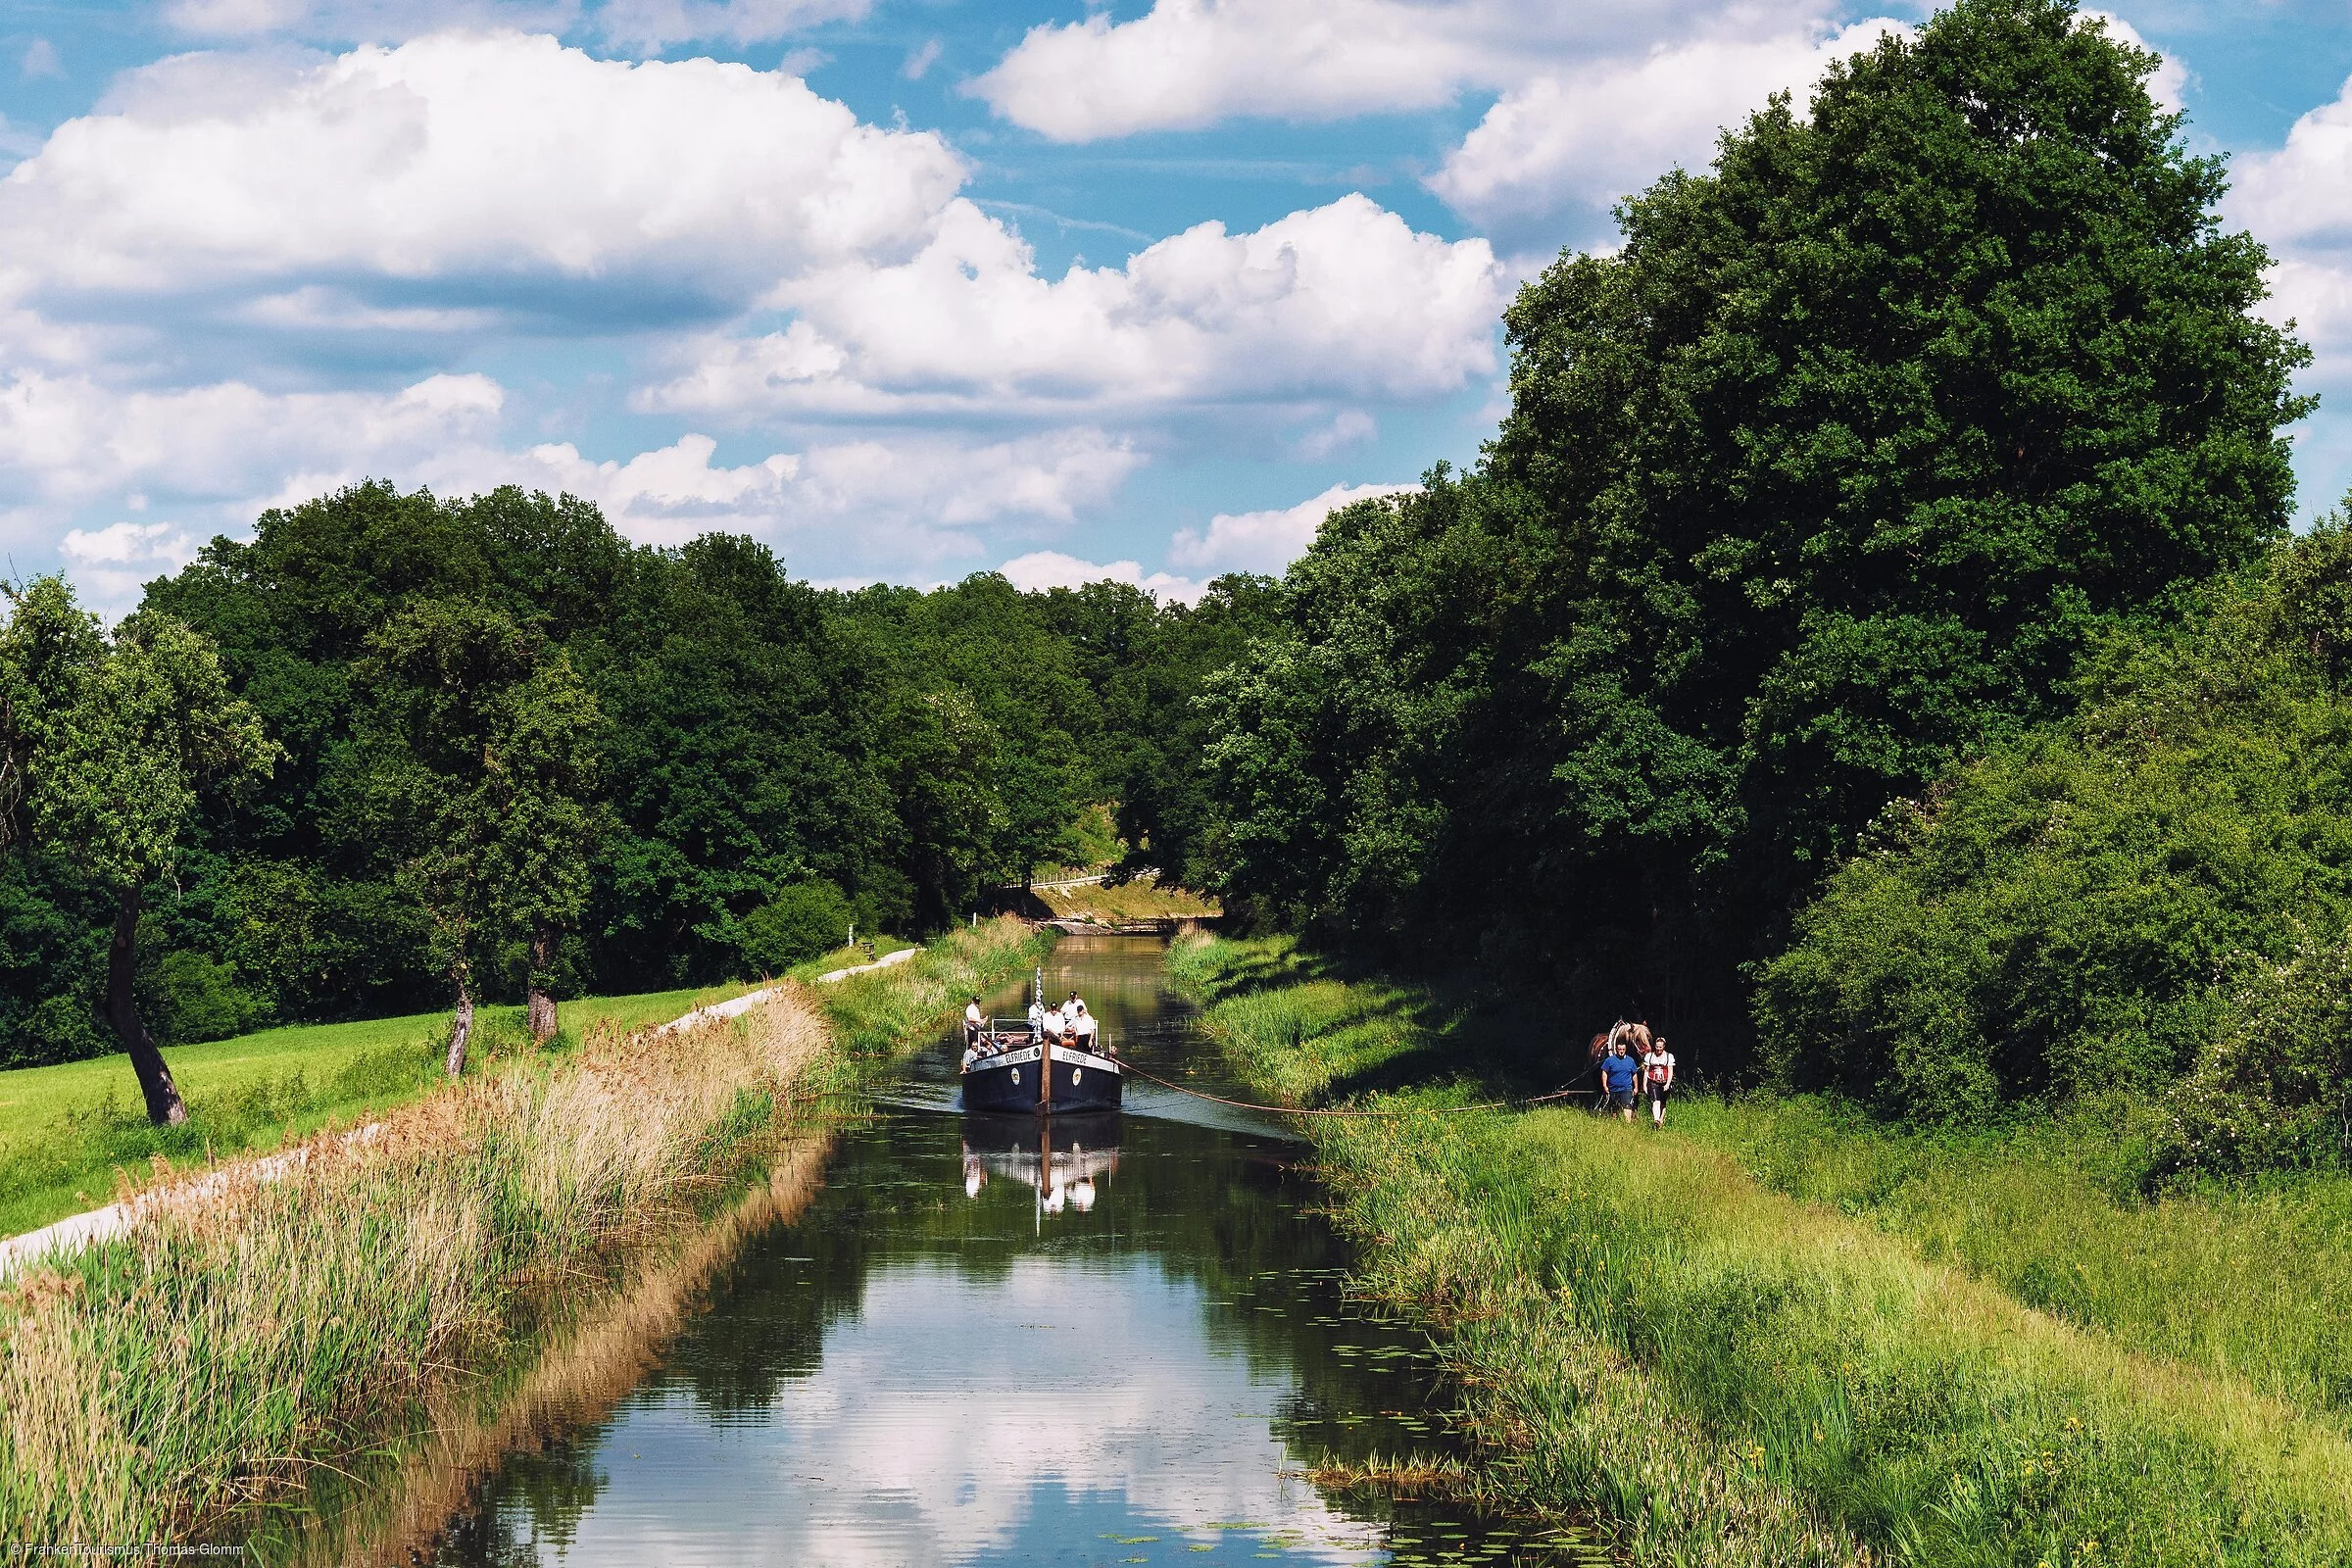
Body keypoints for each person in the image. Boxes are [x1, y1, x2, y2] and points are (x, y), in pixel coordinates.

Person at [1597, 1037, 1640, 1123]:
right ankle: (1614, 1125)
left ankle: (1628, 1125)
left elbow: (1634, 1074)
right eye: (1620, 1049)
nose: (1621, 1051)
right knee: (1614, 1109)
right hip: (1613, 1088)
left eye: (1623, 1049)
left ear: (1625, 1049)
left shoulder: (1630, 1061)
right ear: (1616, 1049)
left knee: (1627, 1106)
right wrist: (1605, 1086)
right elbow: (1604, 1072)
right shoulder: (1609, 1060)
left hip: (1626, 1088)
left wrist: (1636, 1087)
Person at [1642, 1037, 1676, 1128]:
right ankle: (1656, 1119)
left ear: (1664, 1047)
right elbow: (1646, 1071)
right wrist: (1644, 1084)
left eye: (1660, 1047)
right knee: (1656, 1101)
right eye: (1657, 1046)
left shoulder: (1669, 1056)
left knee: (1663, 1103)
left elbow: (1670, 1071)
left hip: (1664, 1081)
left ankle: (1661, 1120)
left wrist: (1668, 1084)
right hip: (1653, 1081)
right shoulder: (1650, 1056)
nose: (1658, 1049)